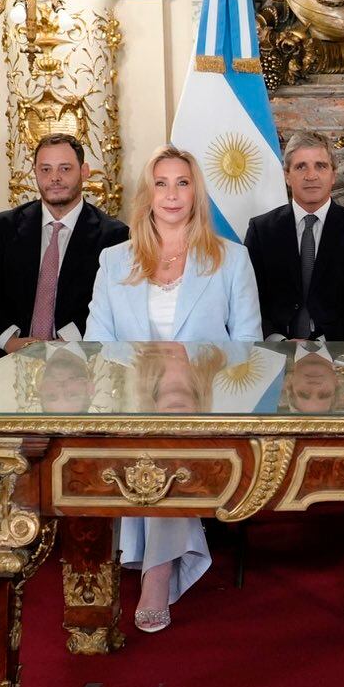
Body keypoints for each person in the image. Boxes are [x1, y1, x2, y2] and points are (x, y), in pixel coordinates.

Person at [86, 145, 263, 633]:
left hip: (205, 402)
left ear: (196, 192)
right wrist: (150, 368)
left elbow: (248, 348)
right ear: (147, 193)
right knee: (151, 433)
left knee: (163, 438)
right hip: (130, 399)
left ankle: (156, 572)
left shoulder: (231, 260)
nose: (171, 193)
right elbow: (97, 345)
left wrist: (188, 367)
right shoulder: (113, 260)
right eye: (161, 183)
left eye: (182, 182)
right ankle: (158, 563)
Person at [0, 131, 129, 367]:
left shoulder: (113, 235)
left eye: (65, 168)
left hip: (80, 355)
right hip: (5, 353)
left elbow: (107, 306)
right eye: (45, 169)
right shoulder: (4, 227)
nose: (54, 177)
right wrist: (12, 343)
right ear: (35, 172)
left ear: (84, 172)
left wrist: (61, 343)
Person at [244, 131, 344, 341]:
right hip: (275, 353)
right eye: (301, 167)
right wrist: (278, 341)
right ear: (287, 176)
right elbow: (249, 300)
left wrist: (320, 345)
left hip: (339, 355)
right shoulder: (261, 230)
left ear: (333, 174)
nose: (311, 175)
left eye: (320, 166)